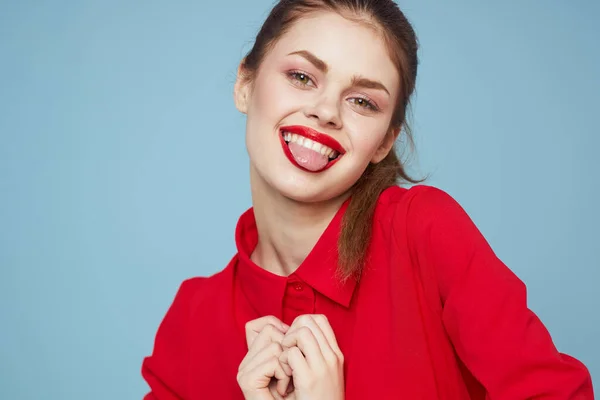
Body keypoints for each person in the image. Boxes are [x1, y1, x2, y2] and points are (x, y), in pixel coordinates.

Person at [141, 1, 594, 399]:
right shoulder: (193, 319)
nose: (325, 111)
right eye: (301, 77)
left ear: (384, 142)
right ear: (245, 83)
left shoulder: (424, 233)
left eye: (362, 102)